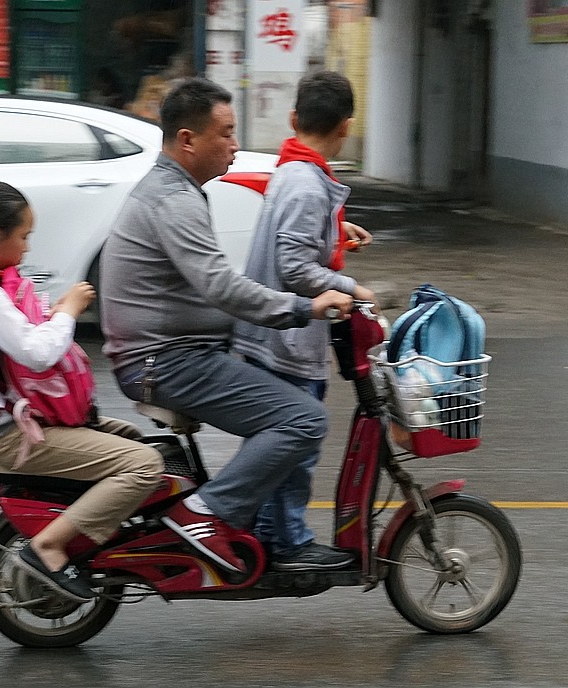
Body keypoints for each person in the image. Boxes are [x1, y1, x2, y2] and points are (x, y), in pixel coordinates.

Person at [100, 78, 354, 574]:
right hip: (166, 362)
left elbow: (216, 276)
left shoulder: (177, 190)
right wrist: (307, 308)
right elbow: (222, 286)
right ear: (188, 140)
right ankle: (206, 513)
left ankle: (269, 533)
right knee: (304, 419)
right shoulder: (173, 200)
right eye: (226, 133)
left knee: (288, 406)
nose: (236, 146)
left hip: (177, 353)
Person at [0, 181, 163, 601]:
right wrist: (69, 312)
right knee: (144, 465)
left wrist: (54, 315)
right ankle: (49, 546)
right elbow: (36, 353)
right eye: (23, 237)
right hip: (8, 435)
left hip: (19, 420)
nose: (27, 248)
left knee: (132, 438)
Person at [232, 70, 375, 569]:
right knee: (298, 443)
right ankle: (286, 541)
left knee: (281, 445)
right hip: (286, 342)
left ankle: (270, 532)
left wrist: (337, 235)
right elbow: (293, 264)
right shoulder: (307, 184)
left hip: (275, 336)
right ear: (346, 128)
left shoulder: (294, 169)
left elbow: (296, 241)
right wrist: (352, 290)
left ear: (294, 118)